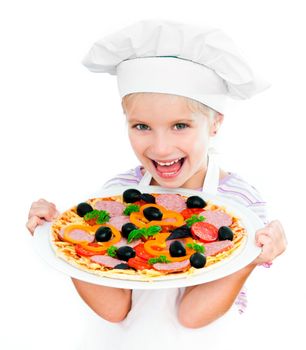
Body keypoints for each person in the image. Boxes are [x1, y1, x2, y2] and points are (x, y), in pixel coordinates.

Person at [26, 20, 287, 349]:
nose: (161, 147)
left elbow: (191, 317)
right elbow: (115, 309)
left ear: (216, 122)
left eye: (180, 125)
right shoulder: (117, 194)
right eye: (142, 126)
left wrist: (249, 258)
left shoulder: (240, 203)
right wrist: (61, 239)